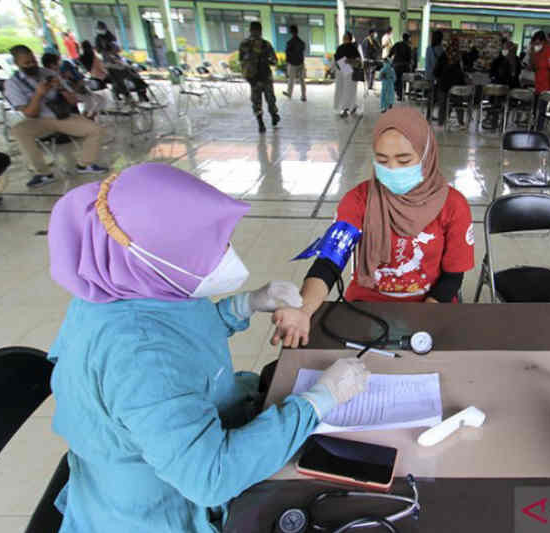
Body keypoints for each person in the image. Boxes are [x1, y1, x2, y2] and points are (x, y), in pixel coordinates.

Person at [45, 162, 370, 533]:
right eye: (215, 247)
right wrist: (320, 400)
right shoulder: (140, 359)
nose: (227, 253)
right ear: (157, 258)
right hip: (159, 511)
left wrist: (244, 305)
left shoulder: (123, 282)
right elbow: (211, 477)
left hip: (145, 461)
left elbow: (180, 334)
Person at [271, 107, 475, 349]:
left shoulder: (453, 205)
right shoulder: (358, 201)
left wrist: (421, 321)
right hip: (365, 307)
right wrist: (304, 310)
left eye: (404, 160)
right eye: (382, 160)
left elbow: (452, 277)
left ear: (427, 154)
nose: (392, 170)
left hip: (430, 306)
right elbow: (329, 262)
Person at [4, 45, 107, 188]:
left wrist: (61, 88)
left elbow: (72, 101)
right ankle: (43, 173)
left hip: (61, 116)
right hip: (37, 120)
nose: (32, 65)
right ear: (17, 64)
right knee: (19, 131)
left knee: (96, 129)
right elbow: (30, 113)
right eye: (27, 63)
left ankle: (84, 164)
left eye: (33, 60)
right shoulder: (13, 83)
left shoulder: (48, 73)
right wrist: (39, 94)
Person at [239, 21, 279, 133]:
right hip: (265, 76)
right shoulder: (266, 44)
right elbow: (275, 61)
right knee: (270, 99)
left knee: (256, 101)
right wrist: (267, 60)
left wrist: (247, 75)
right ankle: (274, 116)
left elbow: (241, 61)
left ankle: (261, 123)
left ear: (250, 30)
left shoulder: (244, 44)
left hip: (253, 78)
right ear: (261, 31)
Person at [42, 53, 107, 120]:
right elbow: (69, 93)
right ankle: (86, 118)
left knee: (94, 99)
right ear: (52, 65)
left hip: (73, 95)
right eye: (59, 61)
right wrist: (78, 85)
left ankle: (87, 117)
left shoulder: (55, 74)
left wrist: (68, 79)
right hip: (68, 99)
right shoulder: (53, 77)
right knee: (97, 99)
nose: (60, 63)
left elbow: (69, 87)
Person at [530, 31, 550, 130]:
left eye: (538, 43)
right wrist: (532, 54)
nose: (536, 45)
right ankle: (534, 127)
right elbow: (533, 67)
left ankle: (538, 130)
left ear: (543, 42)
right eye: (535, 44)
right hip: (538, 86)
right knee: (535, 110)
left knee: (541, 110)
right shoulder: (537, 52)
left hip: (547, 87)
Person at [435, 38, 467, 127]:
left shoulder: (443, 56)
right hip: (457, 86)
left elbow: (436, 71)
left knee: (443, 104)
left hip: (444, 85)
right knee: (458, 104)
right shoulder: (459, 57)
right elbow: (462, 73)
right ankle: (461, 122)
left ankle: (441, 122)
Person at [334, 31, 361, 117]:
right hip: (344, 68)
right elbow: (358, 60)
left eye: (345, 37)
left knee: (344, 89)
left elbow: (357, 61)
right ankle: (348, 107)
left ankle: (347, 107)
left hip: (343, 68)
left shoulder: (348, 47)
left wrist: (348, 61)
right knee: (348, 89)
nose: (343, 38)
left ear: (348, 38)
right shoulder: (349, 47)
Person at [284, 25, 306, 101]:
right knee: (302, 80)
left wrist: (287, 63)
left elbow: (287, 53)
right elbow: (302, 51)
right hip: (300, 63)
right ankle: (303, 96)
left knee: (291, 79)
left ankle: (289, 94)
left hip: (293, 63)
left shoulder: (289, 42)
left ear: (291, 32)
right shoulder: (301, 42)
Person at [389, 33, 413, 101]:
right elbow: (409, 58)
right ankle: (401, 95)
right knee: (403, 81)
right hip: (405, 67)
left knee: (397, 80)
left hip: (396, 66)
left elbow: (390, 53)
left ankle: (399, 94)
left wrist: (390, 59)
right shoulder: (408, 47)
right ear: (408, 39)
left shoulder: (397, 44)